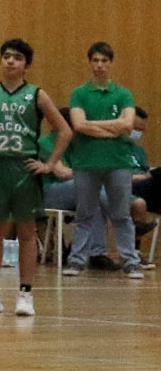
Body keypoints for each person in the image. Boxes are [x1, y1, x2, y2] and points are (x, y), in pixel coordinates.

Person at [0, 38, 71, 314]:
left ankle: (25, 294)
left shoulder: (36, 95)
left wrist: (49, 164)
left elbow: (65, 130)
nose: (10, 61)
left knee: (26, 232)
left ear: (27, 65)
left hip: (24, 170)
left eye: (17, 58)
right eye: (6, 56)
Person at [64, 42, 144, 278]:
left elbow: (128, 124)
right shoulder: (79, 93)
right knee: (85, 214)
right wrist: (113, 128)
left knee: (121, 214)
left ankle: (130, 261)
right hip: (86, 163)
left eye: (104, 61)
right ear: (90, 62)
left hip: (117, 163)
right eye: (95, 60)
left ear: (110, 63)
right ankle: (77, 260)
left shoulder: (123, 94)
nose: (99, 65)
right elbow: (78, 124)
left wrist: (93, 125)